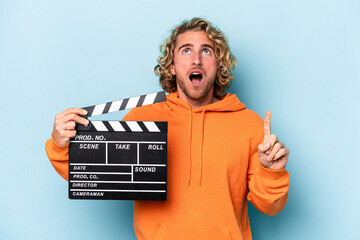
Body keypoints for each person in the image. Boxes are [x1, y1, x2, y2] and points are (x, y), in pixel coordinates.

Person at [45, 17, 290, 240]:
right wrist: (60, 143)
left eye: (207, 51)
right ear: (172, 66)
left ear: (218, 66)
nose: (196, 59)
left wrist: (272, 172)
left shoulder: (248, 123)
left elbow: (270, 205)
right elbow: (91, 172)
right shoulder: (143, 117)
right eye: (186, 51)